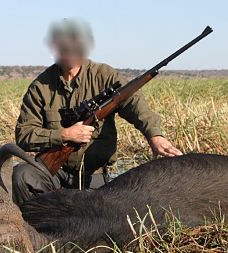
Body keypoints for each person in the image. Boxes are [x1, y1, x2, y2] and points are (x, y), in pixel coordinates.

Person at [12, 18, 182, 206]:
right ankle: (32, 228)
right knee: (22, 175)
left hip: (94, 176)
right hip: (55, 174)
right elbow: (24, 134)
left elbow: (134, 103)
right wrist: (64, 134)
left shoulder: (104, 75)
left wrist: (155, 136)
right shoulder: (40, 87)